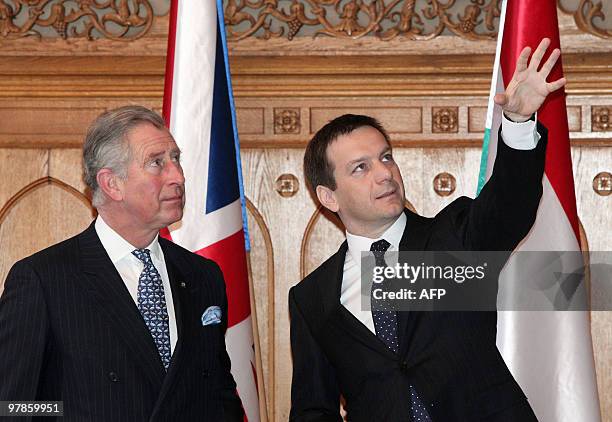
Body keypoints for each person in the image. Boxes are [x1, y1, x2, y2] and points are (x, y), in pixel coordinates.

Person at [290, 38, 565, 421]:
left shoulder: (456, 236)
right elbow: (313, 408)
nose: (384, 172)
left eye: (386, 157)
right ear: (328, 197)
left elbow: (510, 206)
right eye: (361, 167)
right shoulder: (311, 298)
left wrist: (518, 123)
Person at [0, 106, 244, 421]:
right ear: (112, 183)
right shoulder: (43, 280)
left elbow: (218, 396)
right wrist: (63, 413)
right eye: (157, 163)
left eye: (176, 159)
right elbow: (12, 406)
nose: (178, 176)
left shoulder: (202, 275)